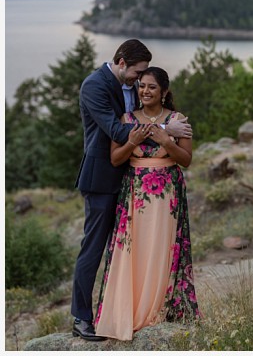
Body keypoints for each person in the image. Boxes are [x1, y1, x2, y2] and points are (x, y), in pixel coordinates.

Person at [72, 40, 191, 341]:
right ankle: (81, 318)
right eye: (137, 73)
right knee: (94, 249)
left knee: (132, 253)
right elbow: (116, 129)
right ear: (122, 62)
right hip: (101, 179)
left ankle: (136, 309)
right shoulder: (94, 86)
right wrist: (165, 131)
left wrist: (165, 128)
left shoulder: (129, 85)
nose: (139, 81)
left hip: (134, 184)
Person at [94, 67, 200, 339]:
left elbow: (186, 160)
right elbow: (116, 159)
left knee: (161, 248)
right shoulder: (127, 118)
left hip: (167, 193)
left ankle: (158, 311)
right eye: (141, 86)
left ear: (164, 91)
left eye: (151, 87)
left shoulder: (178, 120)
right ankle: (128, 313)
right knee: (135, 250)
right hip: (135, 191)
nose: (145, 91)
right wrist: (131, 142)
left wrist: (166, 140)